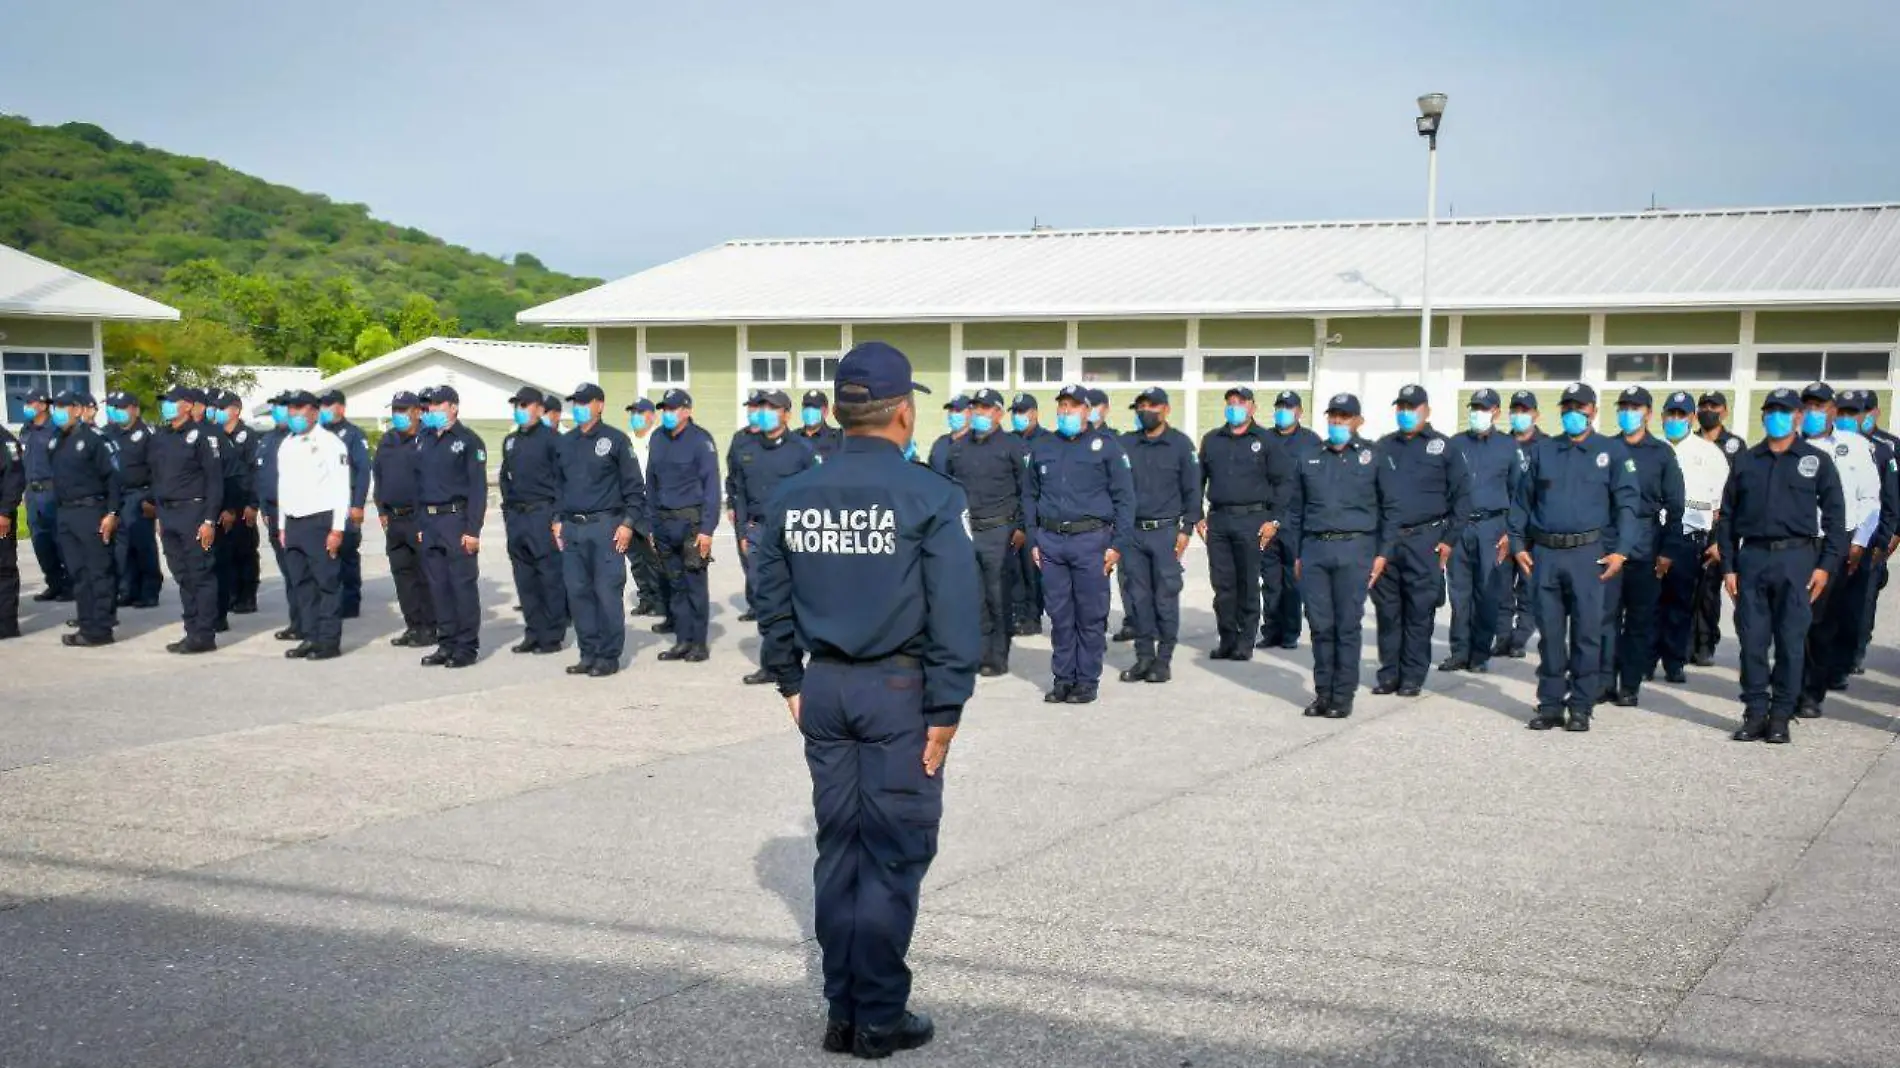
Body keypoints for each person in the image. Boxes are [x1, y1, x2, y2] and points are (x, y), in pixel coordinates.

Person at [751, 341, 977, 1059]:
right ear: (904, 413)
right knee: (888, 853)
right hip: (897, 694)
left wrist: (790, 678)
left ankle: (843, 1009)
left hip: (825, 687)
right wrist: (946, 712)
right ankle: (877, 1016)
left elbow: (770, 597)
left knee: (839, 851)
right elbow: (955, 611)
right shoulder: (932, 496)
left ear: (842, 413)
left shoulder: (792, 493)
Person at [1719, 388, 1846, 743]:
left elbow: (1836, 518)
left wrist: (1825, 566)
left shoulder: (1815, 460)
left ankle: (1781, 716)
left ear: (1798, 417)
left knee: (1791, 642)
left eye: (1784, 410)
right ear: (1763, 416)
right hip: (1753, 558)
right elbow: (1727, 516)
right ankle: (1756, 712)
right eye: (1771, 410)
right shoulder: (1746, 460)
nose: (1776, 416)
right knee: (1753, 642)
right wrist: (1729, 566)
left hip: (1797, 559)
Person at [1511, 383, 1639, 731]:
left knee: (1586, 634)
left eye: (1579, 407)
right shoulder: (1543, 451)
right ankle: (1550, 705)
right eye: (1567, 406)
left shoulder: (1611, 452)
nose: (1572, 413)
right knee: (1550, 635)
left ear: (1593, 411)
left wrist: (1622, 551)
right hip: (1546, 555)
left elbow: (1628, 505)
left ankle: (1581, 705)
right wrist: (1517, 544)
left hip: (1588, 555)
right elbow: (1523, 502)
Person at [1024, 383, 1134, 703]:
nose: (1066, 411)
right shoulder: (1043, 446)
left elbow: (1125, 499)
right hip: (1051, 541)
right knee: (1059, 614)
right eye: (1062, 406)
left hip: (1092, 540)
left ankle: (1086, 680)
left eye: (1073, 406)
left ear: (1087, 410)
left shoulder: (1108, 447)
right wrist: (1033, 537)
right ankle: (1063, 679)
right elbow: (1029, 495)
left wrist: (1118, 544)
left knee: (1089, 614)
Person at [1283, 394, 1384, 717]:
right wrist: (1298, 553)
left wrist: (1382, 553)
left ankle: (1343, 696)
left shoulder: (1373, 457)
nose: (1338, 422)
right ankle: (1323, 693)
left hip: (1355, 549)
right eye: (1333, 416)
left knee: (1347, 625)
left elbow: (1389, 509)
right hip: (1315, 549)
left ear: (1358, 421)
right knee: (1320, 625)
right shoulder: (1310, 456)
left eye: (1344, 417)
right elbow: (1295, 510)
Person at [1372, 385, 1471, 696]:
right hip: (1388, 540)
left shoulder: (1444, 448)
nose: (1405, 413)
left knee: (1418, 610)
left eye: (1411, 407)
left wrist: (1450, 539)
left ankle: (1413, 675)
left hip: (1425, 538)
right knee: (1388, 612)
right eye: (1400, 407)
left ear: (1426, 410)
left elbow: (1463, 498)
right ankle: (1390, 673)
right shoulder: (1383, 446)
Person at [1796, 382, 1882, 718]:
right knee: (1790, 619)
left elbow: (1870, 499)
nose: (1814, 413)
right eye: (1808, 406)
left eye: (1821, 406)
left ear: (1832, 409)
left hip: (1833, 542)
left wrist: (1859, 542)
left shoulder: (1855, 446)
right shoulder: (1786, 446)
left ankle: (1810, 693)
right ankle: (1789, 685)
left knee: (1822, 620)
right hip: (1793, 542)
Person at [1598, 386, 1684, 708]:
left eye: (1635, 407)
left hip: (1645, 545)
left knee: (1638, 619)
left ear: (1648, 413)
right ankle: (1603, 681)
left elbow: (1676, 507)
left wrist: (1668, 551)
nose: (1628, 412)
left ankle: (1629, 684)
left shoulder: (1661, 453)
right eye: (1623, 406)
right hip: (1608, 540)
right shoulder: (1605, 448)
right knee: (1604, 618)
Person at [555, 382, 646, 677]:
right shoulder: (565, 442)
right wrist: (557, 520)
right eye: (575, 402)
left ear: (599, 405)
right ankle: (588, 652)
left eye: (584, 402)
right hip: (573, 527)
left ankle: (608, 655)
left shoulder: (615, 440)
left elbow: (635, 489)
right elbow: (558, 486)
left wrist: (628, 524)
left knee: (606, 591)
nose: (578, 407)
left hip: (606, 526)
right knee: (578, 592)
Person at [940, 387, 1029, 678]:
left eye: (986, 408)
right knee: (974, 596)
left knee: (997, 595)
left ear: (999, 413)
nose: (979, 413)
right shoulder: (959, 447)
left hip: (999, 531)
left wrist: (1022, 527)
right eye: (975, 408)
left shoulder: (1012, 446)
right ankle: (979, 652)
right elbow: (950, 489)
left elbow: (1026, 489)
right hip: (967, 531)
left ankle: (999, 655)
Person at [1198, 386, 1291, 661]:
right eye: (1230, 402)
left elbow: (1284, 483)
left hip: (1252, 520)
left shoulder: (1266, 440)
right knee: (1222, 584)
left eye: (1241, 402)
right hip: (1219, 519)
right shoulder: (1212, 439)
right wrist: (1197, 516)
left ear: (1253, 407)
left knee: (1248, 582)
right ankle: (1227, 638)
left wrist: (1274, 520)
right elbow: (1197, 480)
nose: (1234, 406)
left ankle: (1245, 641)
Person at [732, 390, 819, 683]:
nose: (766, 411)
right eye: (764, 406)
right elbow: (739, 493)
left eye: (773, 407)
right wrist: (743, 530)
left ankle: (801, 659)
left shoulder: (801, 449)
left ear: (786, 414)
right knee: (765, 599)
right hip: (758, 532)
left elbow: (815, 493)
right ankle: (773, 664)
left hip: (792, 532)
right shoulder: (746, 445)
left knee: (796, 598)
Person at [1118, 387, 1199, 684]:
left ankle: (1163, 660)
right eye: (1140, 406)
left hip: (1165, 532)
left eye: (1152, 406)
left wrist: (1187, 528)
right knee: (1138, 599)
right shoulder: (1125, 444)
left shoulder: (1180, 445)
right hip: (1133, 534)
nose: (1145, 411)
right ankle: (1143, 658)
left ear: (1165, 409)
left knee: (1165, 597)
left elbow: (1193, 490)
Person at [1652, 392, 1728, 684]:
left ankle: (1674, 661)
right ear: (1661, 417)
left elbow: (1720, 504)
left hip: (1689, 535)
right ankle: (1645, 659)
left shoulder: (1709, 453)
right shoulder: (1653, 448)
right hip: (1653, 534)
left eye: (1681, 415)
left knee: (1680, 602)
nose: (1674, 420)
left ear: (1692, 418)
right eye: (1670, 414)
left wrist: (1716, 539)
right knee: (1648, 602)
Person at [145, 385, 225, 654]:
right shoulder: (162, 436)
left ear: (188, 405)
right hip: (168, 514)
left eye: (171, 401)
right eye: (164, 401)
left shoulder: (202, 437)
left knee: (200, 573)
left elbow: (215, 482)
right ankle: (191, 630)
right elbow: (157, 478)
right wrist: (159, 513)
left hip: (194, 512)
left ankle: (204, 634)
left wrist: (209, 521)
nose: (166, 406)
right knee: (182, 575)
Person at [1442, 388, 1516, 674]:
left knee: (1487, 592)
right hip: (1460, 526)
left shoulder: (1508, 447)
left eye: (1483, 408)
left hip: (1493, 527)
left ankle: (1480, 654)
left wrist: (1511, 532)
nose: (1477, 412)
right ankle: (1459, 651)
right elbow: (1444, 487)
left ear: (1496, 411)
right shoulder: (1455, 444)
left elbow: (1519, 492)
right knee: (1459, 594)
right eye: (1473, 407)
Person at [415, 385, 488, 668]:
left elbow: (478, 489)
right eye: (428, 405)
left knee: (462, 586)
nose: (430, 410)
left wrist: (473, 530)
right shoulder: (424, 440)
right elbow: (418, 485)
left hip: (456, 520)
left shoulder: (469, 441)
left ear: (453, 407)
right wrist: (421, 522)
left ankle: (466, 647)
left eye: (436, 404)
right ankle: (445, 643)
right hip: (430, 521)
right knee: (438, 587)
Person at [275, 391, 350, 660]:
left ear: (315, 412)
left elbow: (342, 489)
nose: (294, 414)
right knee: (302, 584)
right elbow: (283, 486)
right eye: (291, 409)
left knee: (326, 583)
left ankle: (328, 641)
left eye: (300, 408)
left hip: (320, 521)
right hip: (293, 522)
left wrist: (337, 529)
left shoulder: (330, 443)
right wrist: (282, 526)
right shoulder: (287, 444)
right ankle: (310, 636)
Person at [648, 388, 721, 662]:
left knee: (695, 585)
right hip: (664, 523)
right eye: (664, 409)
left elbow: (712, 487)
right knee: (675, 585)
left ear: (687, 411)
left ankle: (699, 643)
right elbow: (651, 484)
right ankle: (682, 640)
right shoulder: (657, 438)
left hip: (691, 523)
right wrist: (652, 526)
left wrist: (707, 529)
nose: (667, 413)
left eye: (673, 408)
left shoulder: (701, 441)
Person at [46, 391, 122, 647]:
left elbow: (113, 478)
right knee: (79, 572)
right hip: (66, 513)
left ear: (78, 410)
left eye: (63, 407)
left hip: (92, 511)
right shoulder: (57, 440)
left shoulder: (95, 439)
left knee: (97, 571)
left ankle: (101, 628)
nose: (57, 411)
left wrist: (112, 513)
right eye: (56, 406)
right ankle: (87, 624)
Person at [500, 386, 569, 656]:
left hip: (543, 513)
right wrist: (508, 512)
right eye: (517, 404)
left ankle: (551, 635)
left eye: (525, 404)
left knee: (549, 576)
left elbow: (564, 481)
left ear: (540, 409)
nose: (520, 409)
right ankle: (533, 631)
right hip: (518, 515)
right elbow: (505, 478)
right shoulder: (510, 441)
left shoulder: (553, 440)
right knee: (524, 577)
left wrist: (558, 516)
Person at [373, 391, 437, 648]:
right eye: (395, 410)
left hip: (418, 518)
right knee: (403, 576)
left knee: (424, 575)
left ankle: (431, 627)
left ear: (418, 411)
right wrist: (381, 510)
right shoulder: (387, 440)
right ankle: (414, 625)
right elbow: (378, 475)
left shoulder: (428, 439)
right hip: (394, 519)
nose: (398, 415)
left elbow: (434, 482)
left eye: (403, 410)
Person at [1260, 390, 1321, 650]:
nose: (1283, 411)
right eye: (1279, 407)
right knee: (1270, 579)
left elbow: (1318, 482)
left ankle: (1290, 633)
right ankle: (1271, 630)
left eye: (1289, 407)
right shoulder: (1263, 439)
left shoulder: (1311, 441)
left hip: (1297, 520)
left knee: (1292, 579)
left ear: (1299, 412)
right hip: (1267, 520)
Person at [1691, 391, 1746, 665]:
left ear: (1724, 411)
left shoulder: (1735, 445)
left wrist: (1724, 540)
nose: (1708, 410)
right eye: (1703, 405)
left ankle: (1704, 643)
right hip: (1689, 525)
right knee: (1685, 588)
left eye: (1714, 406)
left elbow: (1740, 495)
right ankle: (1683, 644)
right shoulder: (1688, 442)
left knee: (1709, 590)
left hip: (1720, 528)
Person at [1851, 393, 1900, 675]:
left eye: (1866, 410)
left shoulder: (1889, 447)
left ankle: (1856, 651)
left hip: (1875, 537)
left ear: (1876, 412)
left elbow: (1897, 496)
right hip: (1842, 535)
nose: (1861, 415)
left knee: (1864, 596)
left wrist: (1893, 536)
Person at [1494, 391, 1544, 659]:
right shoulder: (1500, 444)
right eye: (1515, 410)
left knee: (1528, 589)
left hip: (1533, 532)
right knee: (1501, 589)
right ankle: (1502, 637)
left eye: (1525, 410)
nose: (1519, 415)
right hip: (1502, 528)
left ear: (1536, 414)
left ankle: (1519, 637)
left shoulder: (1546, 445)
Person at [103, 391, 163, 609]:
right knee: (121, 547)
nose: (118, 411)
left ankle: (149, 590)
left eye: (123, 407)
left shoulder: (148, 434)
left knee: (142, 544)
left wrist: (152, 499)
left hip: (140, 494)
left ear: (135, 409)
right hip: (117, 494)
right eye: (115, 407)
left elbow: (159, 470)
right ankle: (127, 589)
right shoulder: (109, 433)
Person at [204, 390, 257, 632]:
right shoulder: (214, 435)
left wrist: (252, 504)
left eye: (221, 407)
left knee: (243, 552)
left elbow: (252, 474)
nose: (215, 411)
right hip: (223, 503)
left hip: (242, 501)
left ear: (235, 410)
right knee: (226, 555)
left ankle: (246, 596)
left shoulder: (247, 436)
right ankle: (233, 595)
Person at [316, 389, 371, 619]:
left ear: (341, 408)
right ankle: (330, 601)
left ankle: (350, 602)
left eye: (329, 405)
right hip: (322, 503)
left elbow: (363, 471)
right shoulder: (317, 434)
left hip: (346, 501)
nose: (324, 409)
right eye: (322, 405)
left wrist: (358, 504)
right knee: (325, 553)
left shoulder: (353, 434)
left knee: (347, 551)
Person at [19, 389, 69, 602]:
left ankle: (70, 584)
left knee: (61, 540)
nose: (26, 407)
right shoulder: (26, 430)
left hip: (53, 491)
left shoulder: (57, 429)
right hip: (32, 492)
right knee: (40, 542)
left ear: (42, 405)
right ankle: (54, 583)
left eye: (29, 403)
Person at [255, 394, 298, 642]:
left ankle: (309, 622)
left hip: (296, 513)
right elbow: (260, 475)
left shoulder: (300, 439)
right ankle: (297, 621)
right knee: (288, 572)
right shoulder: (268, 439)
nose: (278, 412)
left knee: (301, 572)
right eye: (275, 408)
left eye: (283, 407)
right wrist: (261, 506)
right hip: (272, 513)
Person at [1008, 392, 1048, 636]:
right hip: (1009, 515)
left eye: (1022, 411)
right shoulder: (1008, 440)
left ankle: (1033, 616)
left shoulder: (1047, 441)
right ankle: (1018, 613)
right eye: (1014, 412)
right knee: (1013, 570)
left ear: (1034, 413)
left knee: (1032, 569)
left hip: (1035, 518)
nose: (1017, 416)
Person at [623, 397, 665, 617]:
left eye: (640, 413)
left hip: (652, 503)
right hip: (631, 505)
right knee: (636, 557)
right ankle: (645, 597)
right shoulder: (626, 440)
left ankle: (660, 600)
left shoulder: (659, 438)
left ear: (652, 416)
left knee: (654, 556)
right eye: (632, 413)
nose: (635, 417)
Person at [728, 389, 765, 621]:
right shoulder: (740, 438)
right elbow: (732, 476)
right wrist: (731, 504)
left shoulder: (772, 437)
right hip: (743, 507)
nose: (751, 411)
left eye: (756, 407)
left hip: (766, 509)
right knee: (747, 558)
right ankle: (755, 605)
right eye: (749, 407)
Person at [0, 418, 23, 639]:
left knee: (3, 568)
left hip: (0, 516)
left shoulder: (6, 441)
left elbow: (14, 478)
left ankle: (6, 625)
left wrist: (5, 512)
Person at [927, 393, 971, 473]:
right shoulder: (940, 443)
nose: (953, 414)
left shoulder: (977, 444)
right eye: (951, 410)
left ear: (970, 413)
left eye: (958, 411)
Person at [796, 389, 844, 459]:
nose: (810, 410)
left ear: (826, 411)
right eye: (807, 407)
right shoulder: (793, 438)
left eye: (815, 407)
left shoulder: (838, 438)